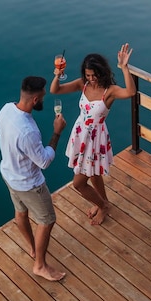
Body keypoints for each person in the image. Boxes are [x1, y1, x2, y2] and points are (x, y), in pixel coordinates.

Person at [50, 43, 135, 226]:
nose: (91, 79)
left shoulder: (109, 91)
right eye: (88, 75)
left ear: (101, 72)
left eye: (94, 75)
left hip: (96, 139)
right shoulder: (83, 84)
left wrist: (124, 67)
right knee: (94, 174)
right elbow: (55, 90)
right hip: (81, 134)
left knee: (79, 183)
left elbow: (130, 92)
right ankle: (104, 203)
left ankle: (102, 206)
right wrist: (57, 74)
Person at [0, 76, 67, 281]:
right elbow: (44, 161)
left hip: (9, 175)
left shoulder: (6, 109)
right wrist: (57, 133)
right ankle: (40, 265)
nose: (44, 99)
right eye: (43, 96)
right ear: (35, 100)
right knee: (47, 220)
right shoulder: (28, 131)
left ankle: (33, 249)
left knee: (20, 212)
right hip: (30, 184)